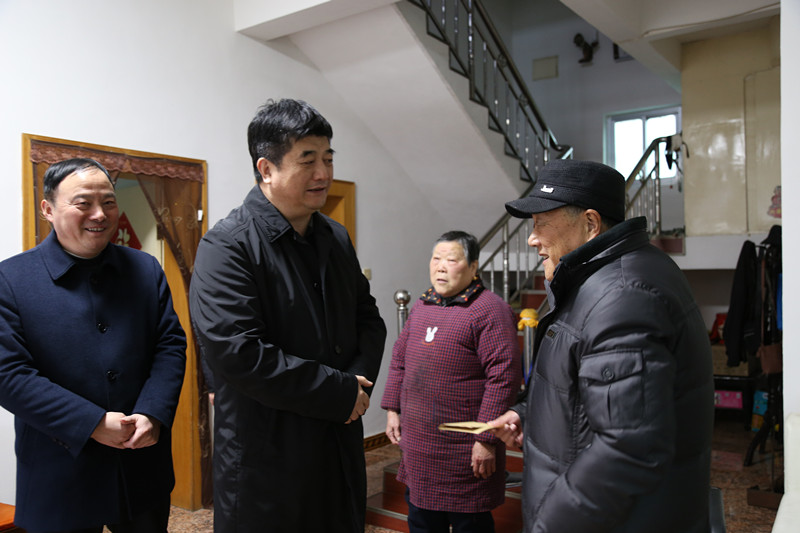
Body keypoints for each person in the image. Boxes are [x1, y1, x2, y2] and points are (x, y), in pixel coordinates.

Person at [189, 98, 387, 533]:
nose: (323, 173)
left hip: (337, 443)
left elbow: (369, 319)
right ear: (266, 168)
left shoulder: (335, 236)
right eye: (308, 160)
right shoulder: (227, 246)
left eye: (328, 158)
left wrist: (358, 386)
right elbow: (240, 354)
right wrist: (340, 391)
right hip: (268, 456)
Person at [489, 159, 714, 532]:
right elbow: (591, 396)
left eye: (541, 223)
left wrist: (550, 525)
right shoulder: (606, 279)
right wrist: (527, 415)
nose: (532, 238)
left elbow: (629, 447)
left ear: (590, 224)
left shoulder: (622, 295)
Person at [0, 158, 187, 533]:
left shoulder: (145, 268)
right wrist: (92, 423)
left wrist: (153, 413)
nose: (100, 214)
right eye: (83, 203)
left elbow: (169, 345)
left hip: (139, 460)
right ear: (48, 209)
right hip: (60, 467)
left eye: (109, 202)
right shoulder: (11, 279)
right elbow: (9, 375)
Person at [381, 230, 522, 533]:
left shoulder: (490, 309)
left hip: (464, 448)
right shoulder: (422, 305)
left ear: (473, 266)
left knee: (469, 523)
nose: (441, 267)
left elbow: (504, 377)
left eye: (451, 260)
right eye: (436, 259)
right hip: (420, 444)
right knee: (421, 520)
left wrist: (486, 439)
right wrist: (392, 409)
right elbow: (399, 359)